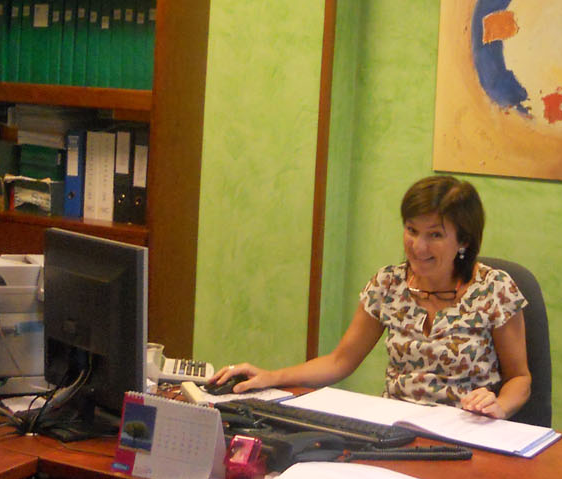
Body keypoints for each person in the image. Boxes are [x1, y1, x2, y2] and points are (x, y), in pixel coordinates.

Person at [211, 175, 531, 419]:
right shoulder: (388, 284)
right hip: (396, 429)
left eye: (434, 235)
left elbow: (520, 378)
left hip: (469, 431)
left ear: (464, 241)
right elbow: (340, 361)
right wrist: (272, 377)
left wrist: (498, 406)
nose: (418, 246)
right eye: (411, 230)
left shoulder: (495, 289)